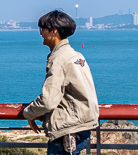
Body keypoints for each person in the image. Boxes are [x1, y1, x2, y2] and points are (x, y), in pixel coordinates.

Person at [23, 10, 99, 155]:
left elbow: (48, 101)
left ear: (54, 31)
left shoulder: (58, 59)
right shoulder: (77, 56)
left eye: (42, 29)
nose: (41, 33)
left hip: (67, 131)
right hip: (82, 126)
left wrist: (29, 112)